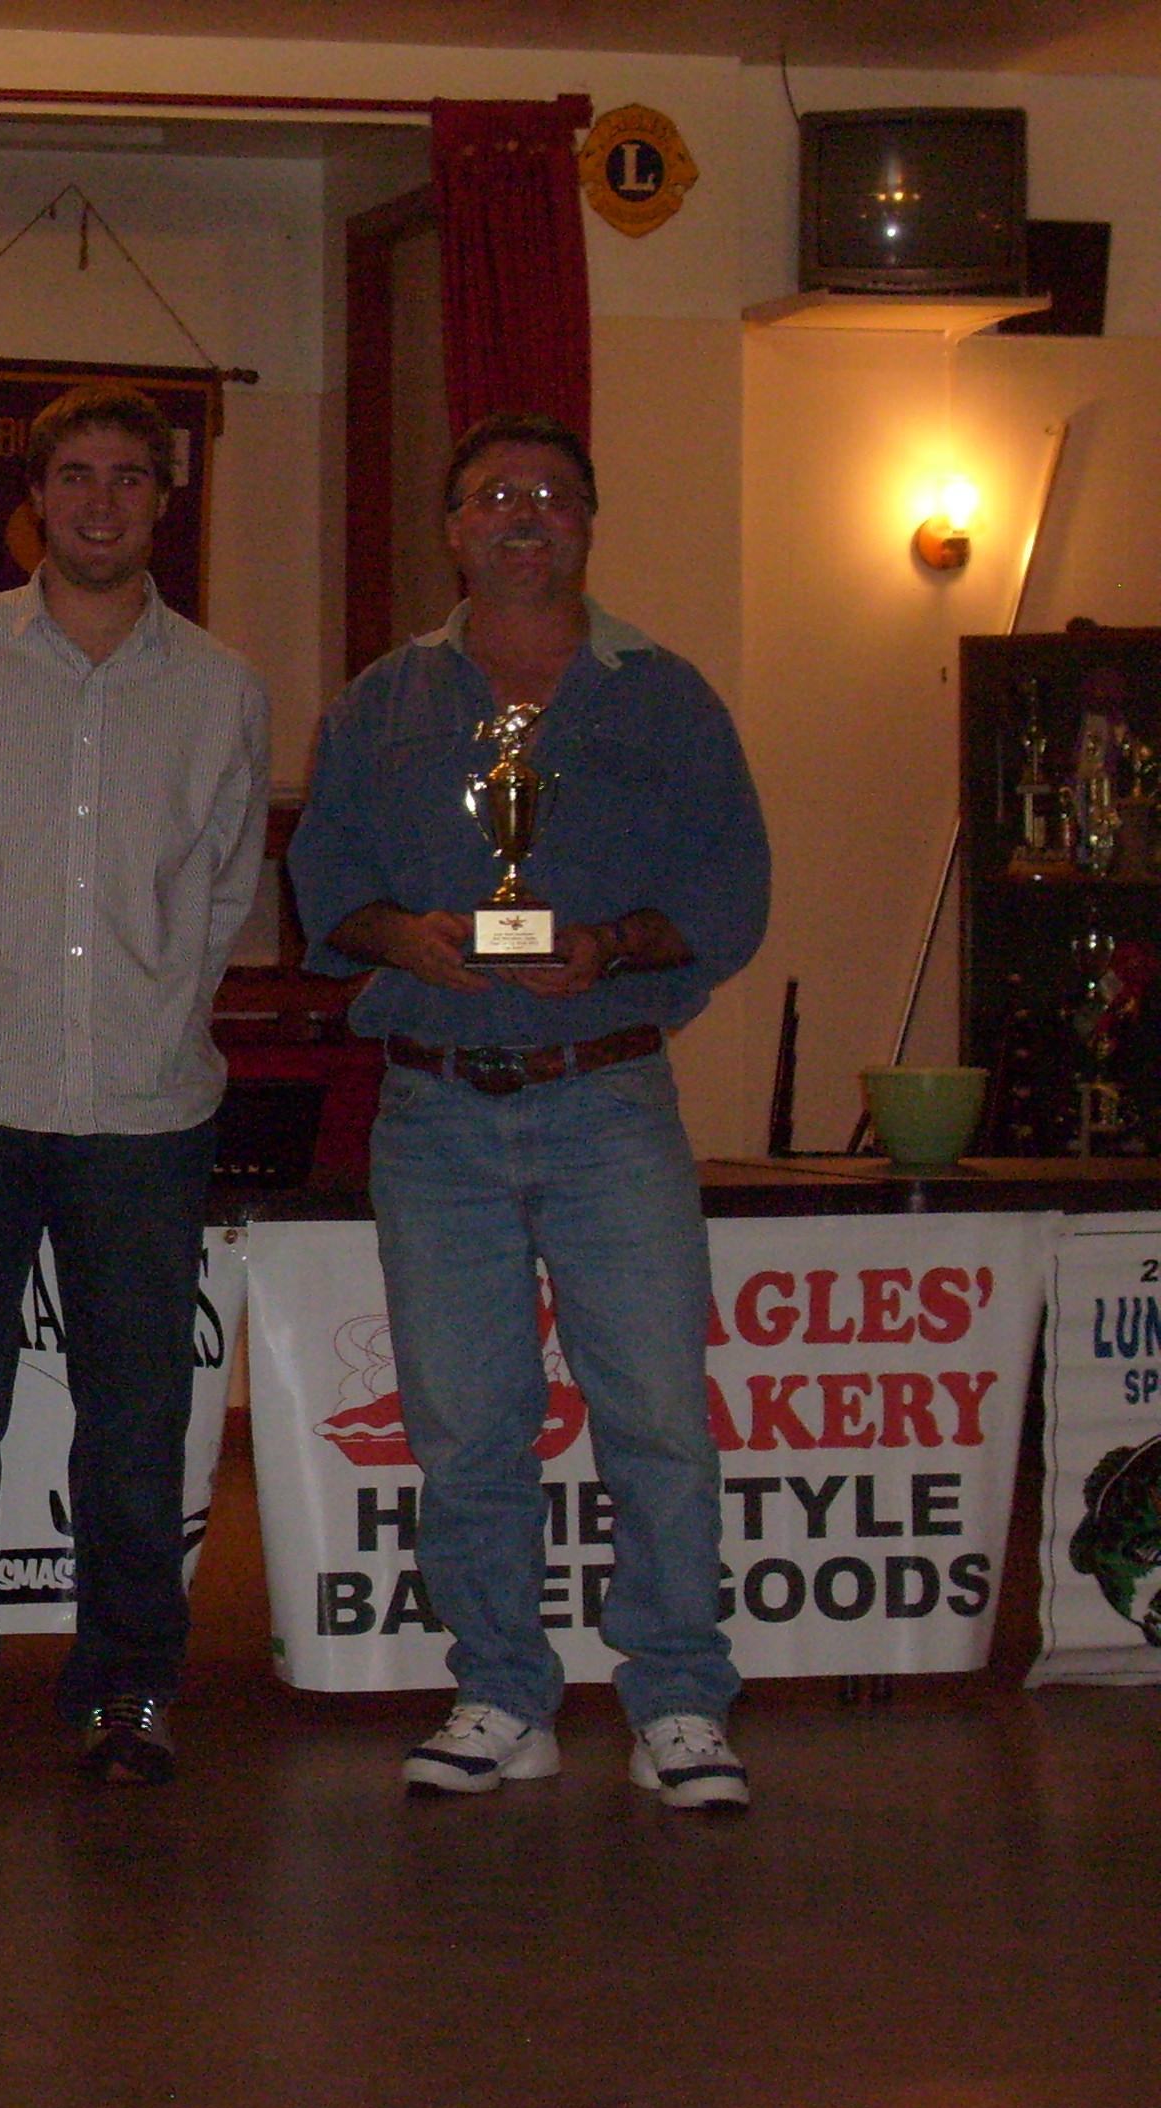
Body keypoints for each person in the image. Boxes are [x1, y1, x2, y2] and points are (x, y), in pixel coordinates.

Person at [287, 410, 769, 1812]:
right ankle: (503, 1691)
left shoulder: (664, 698)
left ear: (588, 525)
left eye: (554, 496)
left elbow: (728, 893)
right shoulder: (382, 703)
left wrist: (610, 947)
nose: (525, 515)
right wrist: (405, 937)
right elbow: (328, 891)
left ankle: (680, 1701)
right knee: (465, 1427)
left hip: (607, 1100)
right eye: (496, 495)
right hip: (435, 1114)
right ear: (453, 528)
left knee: (658, 1417)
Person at [0, 383, 271, 1786]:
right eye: (75, 475)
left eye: (129, 478)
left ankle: (128, 1692)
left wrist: (138, 1018)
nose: (100, 502)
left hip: (147, 1113)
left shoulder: (222, 689)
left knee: (139, 1426)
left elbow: (220, 897)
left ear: (164, 502)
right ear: (35, 500)